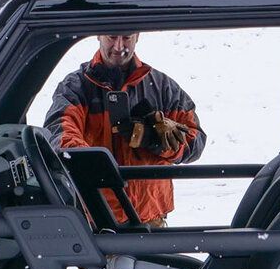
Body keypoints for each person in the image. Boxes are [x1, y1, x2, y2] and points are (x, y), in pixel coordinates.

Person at [44, 31, 205, 225]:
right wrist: (96, 163)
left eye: (127, 37)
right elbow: (59, 134)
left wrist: (154, 139)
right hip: (97, 221)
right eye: (112, 37)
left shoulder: (163, 87)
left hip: (152, 221)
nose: (119, 46)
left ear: (137, 36)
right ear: (98, 35)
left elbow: (196, 142)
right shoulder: (75, 88)